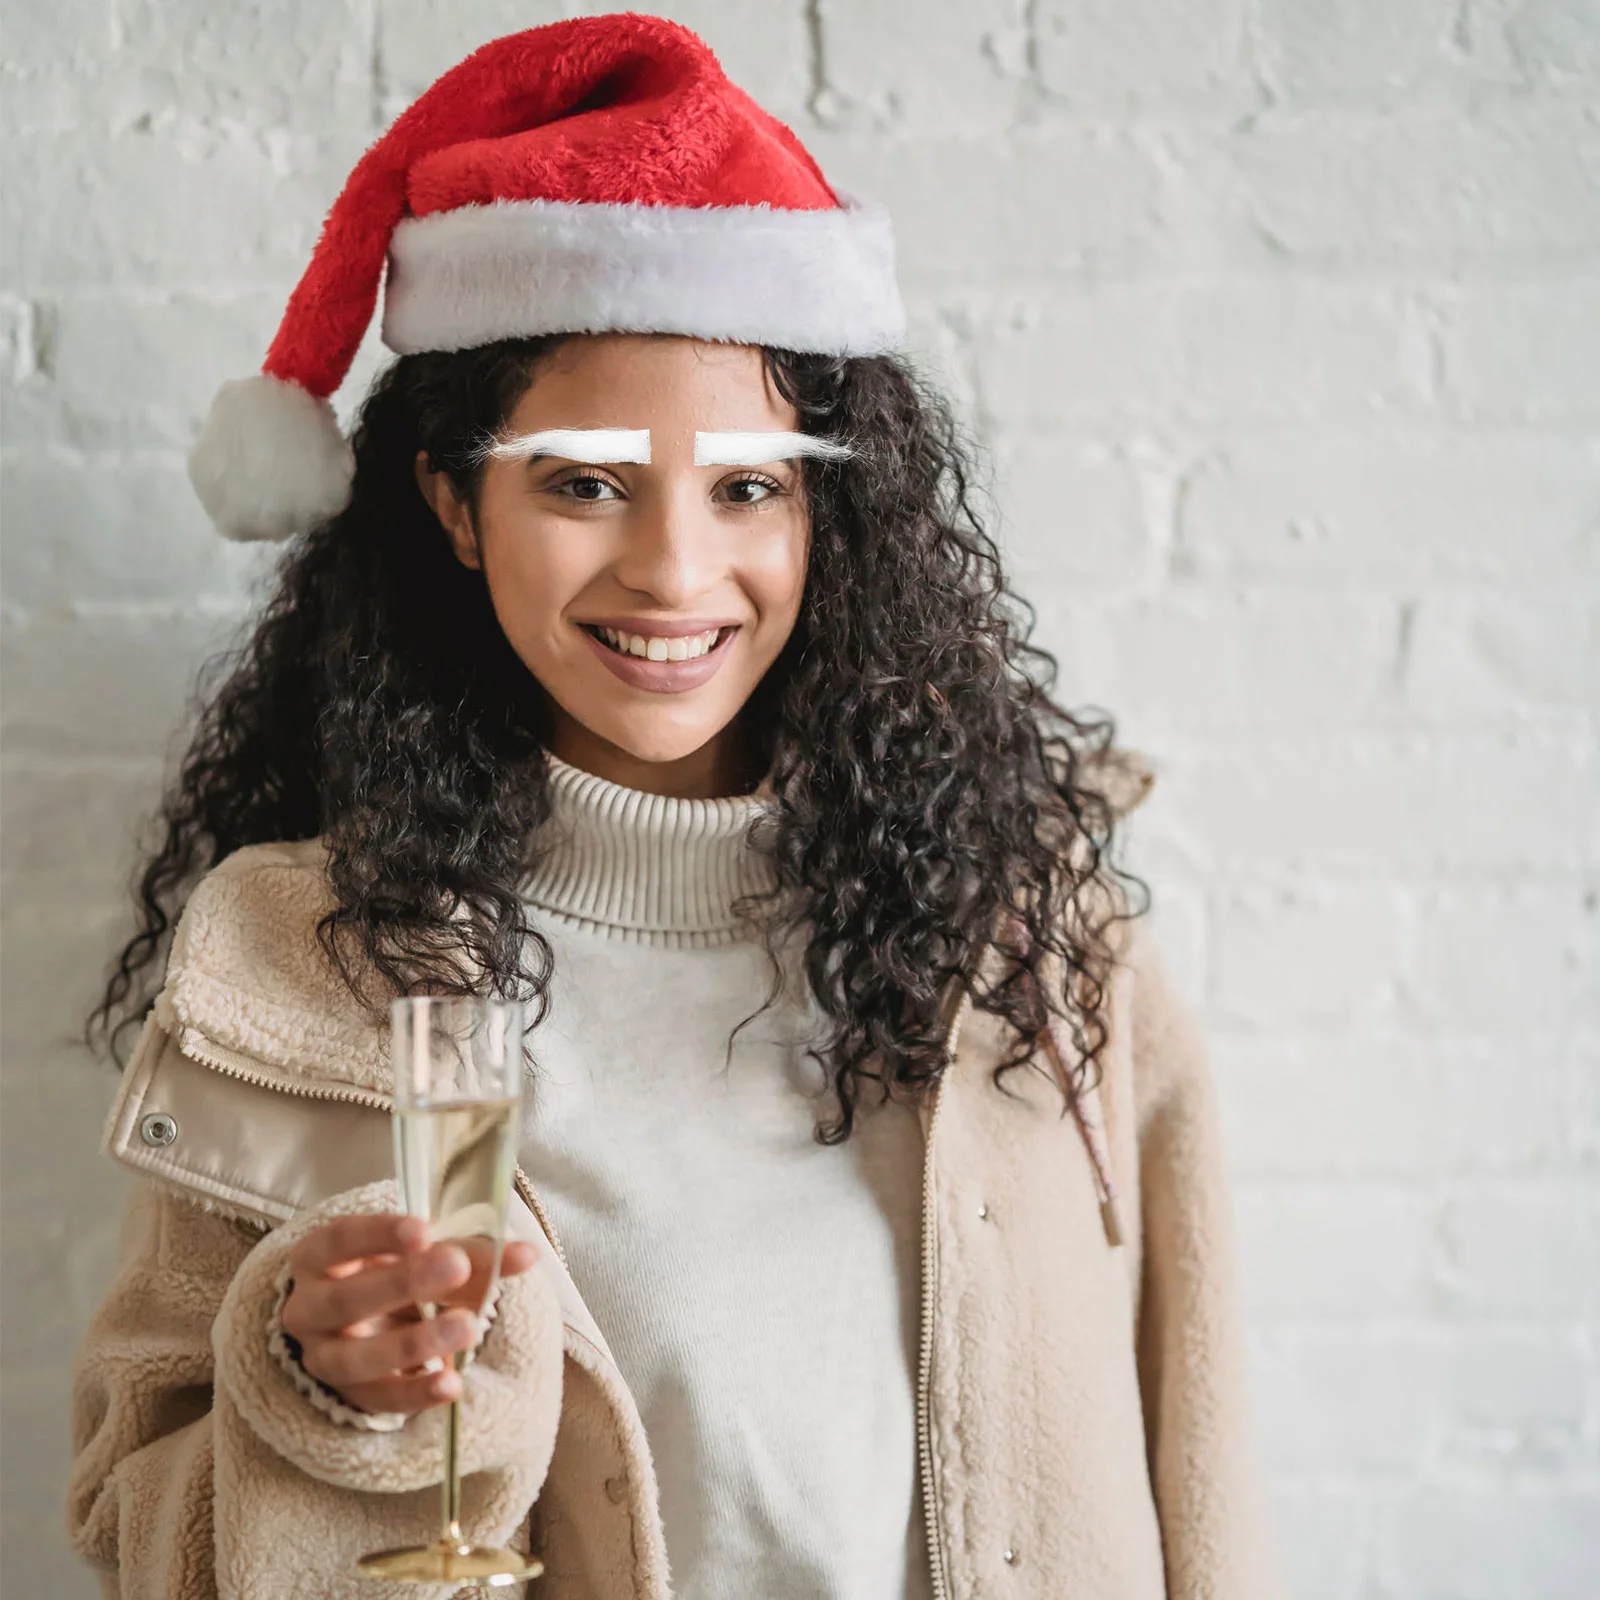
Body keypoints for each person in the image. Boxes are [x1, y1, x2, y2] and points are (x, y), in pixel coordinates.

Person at [64, 14, 1282, 1599]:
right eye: (583, 483)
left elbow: (1200, 1458)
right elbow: (137, 1522)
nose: (673, 572)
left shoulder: (1029, 932)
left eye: (748, 487)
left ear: (823, 509)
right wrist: (312, 1393)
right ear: (454, 500)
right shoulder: (301, 967)